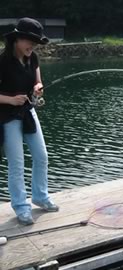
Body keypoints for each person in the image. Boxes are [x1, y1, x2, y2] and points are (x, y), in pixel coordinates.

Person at [0, 17, 59, 225]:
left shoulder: (32, 58)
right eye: (29, 41)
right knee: (17, 164)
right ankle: (21, 207)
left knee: (41, 156)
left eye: (35, 42)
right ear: (17, 39)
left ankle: (40, 197)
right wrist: (10, 99)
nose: (32, 45)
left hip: (28, 112)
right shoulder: (3, 61)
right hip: (7, 117)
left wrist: (37, 88)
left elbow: (38, 81)